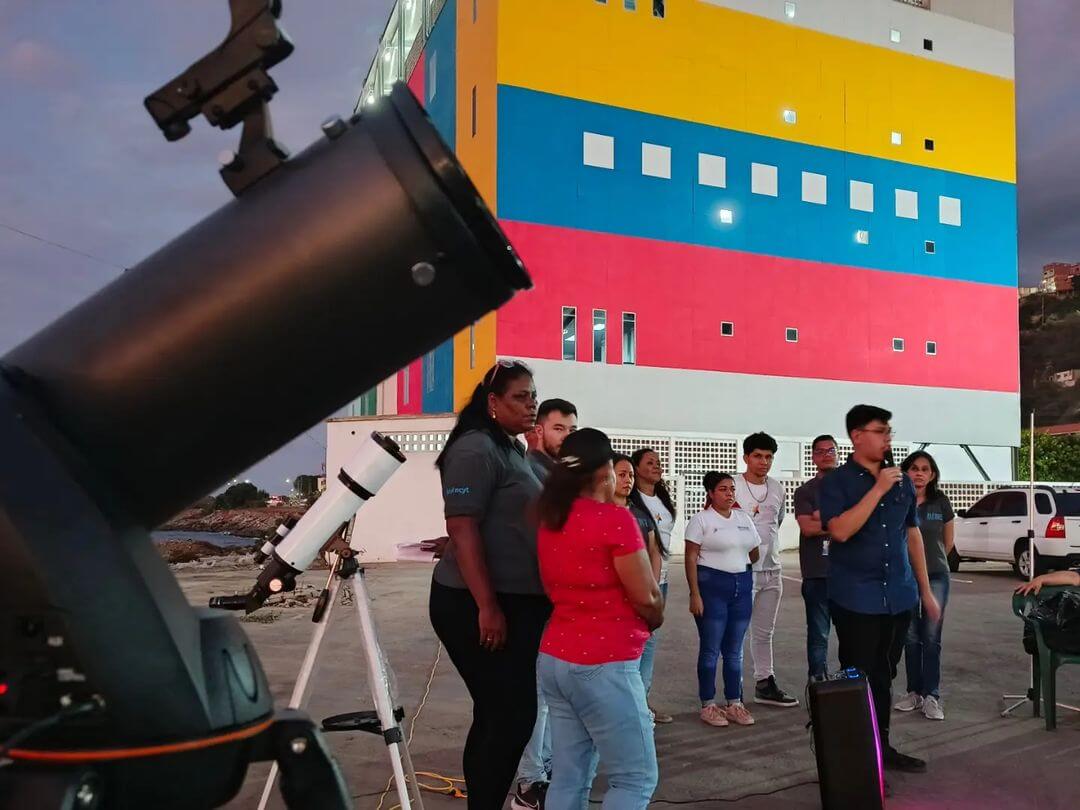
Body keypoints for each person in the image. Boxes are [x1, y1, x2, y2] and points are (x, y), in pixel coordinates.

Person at [428, 359, 552, 809]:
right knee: (512, 714)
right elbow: (464, 528)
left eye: (533, 395)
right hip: (475, 604)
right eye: (521, 396)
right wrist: (488, 607)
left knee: (499, 713)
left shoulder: (510, 447)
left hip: (519, 600)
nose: (531, 404)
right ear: (493, 403)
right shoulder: (475, 449)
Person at [537, 429, 664, 810]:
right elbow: (647, 597)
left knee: (569, 776)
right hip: (603, 662)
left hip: (556, 658)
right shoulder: (615, 520)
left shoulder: (550, 520)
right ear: (604, 472)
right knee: (635, 778)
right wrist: (655, 615)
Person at [819, 404, 941, 776]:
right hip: (856, 598)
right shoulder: (836, 482)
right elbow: (839, 530)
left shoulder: (902, 482)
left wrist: (925, 590)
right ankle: (857, 761)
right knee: (858, 676)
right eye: (880, 431)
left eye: (889, 431)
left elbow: (912, 533)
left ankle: (881, 747)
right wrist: (878, 488)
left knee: (885, 675)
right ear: (857, 436)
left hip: (898, 596)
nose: (888, 437)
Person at [513, 398, 578, 810]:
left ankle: (546, 769)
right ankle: (529, 782)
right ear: (537, 430)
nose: (567, 437)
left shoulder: (559, 473)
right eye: (559, 429)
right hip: (531, 600)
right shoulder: (528, 471)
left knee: (556, 695)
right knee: (536, 697)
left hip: (560, 603)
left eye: (572, 430)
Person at [685, 472, 761, 728]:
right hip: (712, 588)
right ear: (711, 493)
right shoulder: (701, 520)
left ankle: (734, 702)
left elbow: (754, 551)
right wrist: (695, 593)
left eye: (731, 489)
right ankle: (708, 703)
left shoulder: (743, 519)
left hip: (741, 587)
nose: (729, 493)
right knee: (710, 649)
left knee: (734, 651)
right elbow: (690, 557)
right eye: (722, 489)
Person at [734, 432, 799, 707]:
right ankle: (732, 690)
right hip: (740, 570)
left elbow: (777, 521)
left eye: (769, 457)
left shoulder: (777, 488)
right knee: (735, 632)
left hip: (772, 570)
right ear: (746, 457)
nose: (764, 462)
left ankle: (765, 682)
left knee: (764, 632)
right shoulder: (732, 485)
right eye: (758, 456)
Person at [894, 451, 954, 721]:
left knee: (931, 637)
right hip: (905, 579)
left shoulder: (941, 503)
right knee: (910, 637)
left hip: (936, 576)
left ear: (932, 475)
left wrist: (929, 566)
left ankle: (932, 695)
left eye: (924, 469)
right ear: (905, 472)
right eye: (913, 468)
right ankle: (913, 692)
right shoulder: (897, 500)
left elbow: (948, 543)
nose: (918, 473)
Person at [629, 448, 676, 723]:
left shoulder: (663, 500)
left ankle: (643, 701)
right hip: (642, 578)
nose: (657, 466)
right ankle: (633, 703)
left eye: (659, 462)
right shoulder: (633, 503)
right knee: (637, 641)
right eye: (650, 462)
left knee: (650, 641)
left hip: (664, 579)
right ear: (636, 468)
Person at [794, 434, 839, 682]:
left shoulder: (851, 488)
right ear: (813, 457)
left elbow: (860, 524)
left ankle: (849, 684)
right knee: (819, 634)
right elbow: (808, 529)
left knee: (851, 635)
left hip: (849, 576)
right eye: (820, 451)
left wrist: (821, 519)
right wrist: (839, 523)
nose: (826, 455)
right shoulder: (805, 492)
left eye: (830, 450)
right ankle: (818, 683)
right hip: (817, 574)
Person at [613, 454, 663, 583]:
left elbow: (654, 552)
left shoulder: (642, 516)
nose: (628, 480)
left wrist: (654, 585)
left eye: (631, 475)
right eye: (622, 475)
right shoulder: (598, 514)